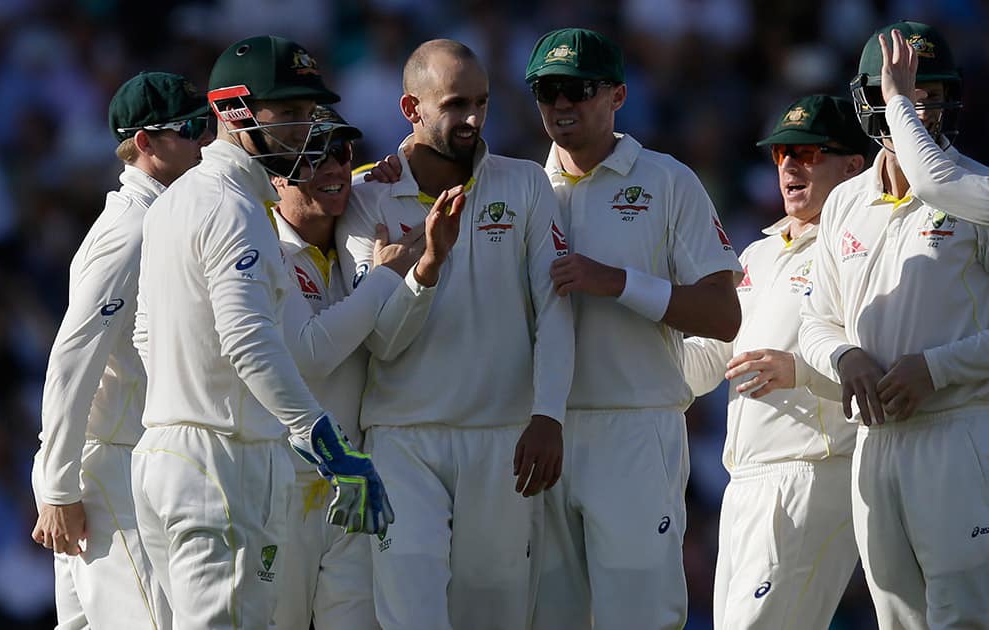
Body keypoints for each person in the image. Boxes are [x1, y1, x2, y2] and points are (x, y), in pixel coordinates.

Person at [131, 35, 392, 630]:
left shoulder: (176, 200)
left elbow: (147, 336)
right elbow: (247, 340)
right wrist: (324, 442)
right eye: (291, 113)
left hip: (168, 455)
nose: (306, 128)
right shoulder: (235, 208)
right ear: (233, 111)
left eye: (309, 112)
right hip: (220, 462)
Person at [335, 38, 575, 630]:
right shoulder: (365, 196)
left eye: (482, 102)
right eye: (454, 105)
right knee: (411, 617)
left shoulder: (524, 184)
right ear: (409, 109)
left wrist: (549, 414)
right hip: (401, 439)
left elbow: (555, 308)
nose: (472, 119)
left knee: (494, 616)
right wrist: (426, 268)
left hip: (503, 439)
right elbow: (382, 341)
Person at [523, 28, 743, 630]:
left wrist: (616, 282)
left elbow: (725, 315)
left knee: (638, 618)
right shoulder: (520, 188)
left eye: (577, 89)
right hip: (539, 434)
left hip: (636, 428)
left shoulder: (668, 180)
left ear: (618, 95)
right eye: (547, 90)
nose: (561, 105)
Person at [800, 21, 989, 629]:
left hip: (959, 431)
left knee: (963, 615)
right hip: (874, 443)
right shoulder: (845, 204)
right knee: (896, 620)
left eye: (932, 94)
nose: (922, 108)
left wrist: (936, 369)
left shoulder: (971, 194)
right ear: (869, 100)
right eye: (906, 91)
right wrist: (845, 358)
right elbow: (816, 320)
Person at [29, 71, 211, 629]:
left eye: (206, 125)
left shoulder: (162, 216)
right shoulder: (132, 229)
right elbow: (72, 357)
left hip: (118, 460)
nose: (205, 141)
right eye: (190, 128)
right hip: (109, 468)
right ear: (146, 144)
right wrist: (58, 485)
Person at [682, 95, 869, 629]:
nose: (788, 164)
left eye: (807, 152)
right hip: (744, 482)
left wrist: (800, 370)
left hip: (812, 471)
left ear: (852, 166)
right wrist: (631, 345)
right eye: (781, 153)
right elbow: (706, 362)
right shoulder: (756, 255)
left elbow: (880, 362)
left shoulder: (860, 251)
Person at [270, 105, 451, 630]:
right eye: (313, 156)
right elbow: (313, 354)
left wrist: (370, 173)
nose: (330, 168)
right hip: (285, 483)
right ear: (276, 172)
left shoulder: (354, 228)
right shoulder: (262, 249)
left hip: (357, 481)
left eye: (340, 152)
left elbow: (351, 181)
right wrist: (389, 274)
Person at [879, 27, 989, 225]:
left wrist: (898, 100)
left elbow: (932, 184)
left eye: (932, 96)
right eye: (914, 97)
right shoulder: (843, 198)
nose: (921, 112)